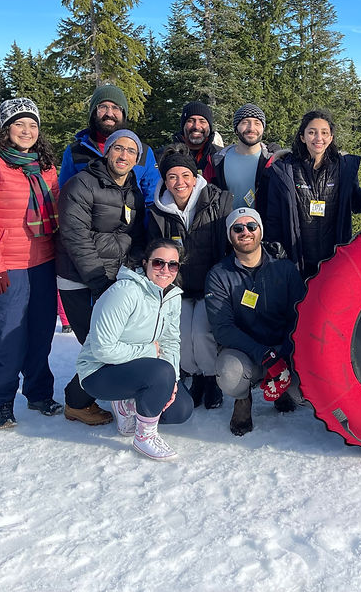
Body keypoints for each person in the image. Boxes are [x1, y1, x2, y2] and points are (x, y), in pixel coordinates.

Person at [0, 98, 61, 428]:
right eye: (20, 124)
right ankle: (1, 399)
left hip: (44, 263)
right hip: (8, 265)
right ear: (6, 129)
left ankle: (38, 392)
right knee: (10, 338)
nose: (27, 130)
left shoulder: (46, 167)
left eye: (33, 125)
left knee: (40, 333)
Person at [55, 129, 148, 425]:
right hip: (81, 280)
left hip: (113, 279)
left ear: (137, 159)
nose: (124, 155)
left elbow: (134, 236)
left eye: (131, 151)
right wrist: (100, 281)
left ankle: (87, 397)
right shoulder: (82, 184)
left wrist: (131, 272)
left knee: (110, 343)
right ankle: (76, 401)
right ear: (106, 152)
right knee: (100, 347)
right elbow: (75, 237)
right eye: (118, 149)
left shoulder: (133, 190)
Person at [76, 238, 193, 460]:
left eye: (173, 265)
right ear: (145, 263)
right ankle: (144, 436)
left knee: (181, 409)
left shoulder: (172, 296)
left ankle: (126, 406)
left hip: (138, 369)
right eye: (158, 263)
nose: (165, 270)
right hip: (99, 371)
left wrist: (173, 382)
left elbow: (170, 342)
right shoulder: (125, 292)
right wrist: (150, 352)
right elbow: (103, 349)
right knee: (161, 372)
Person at [206, 208, 306, 436]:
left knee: (302, 395)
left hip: (283, 349)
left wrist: (283, 355)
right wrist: (265, 356)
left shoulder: (285, 268)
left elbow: (300, 316)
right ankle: (243, 400)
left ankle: (282, 389)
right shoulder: (219, 274)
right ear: (230, 235)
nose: (245, 232)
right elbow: (223, 328)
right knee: (229, 374)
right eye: (238, 228)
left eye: (251, 226)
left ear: (260, 231)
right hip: (244, 353)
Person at [148, 145, 233, 410]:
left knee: (202, 331)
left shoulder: (217, 202)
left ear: (195, 178)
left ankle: (211, 378)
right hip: (179, 285)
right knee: (182, 332)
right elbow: (154, 249)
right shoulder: (159, 211)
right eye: (172, 176)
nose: (179, 182)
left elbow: (227, 245)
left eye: (185, 175)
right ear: (165, 181)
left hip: (211, 284)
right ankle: (193, 375)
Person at [266, 110, 361, 278]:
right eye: (312, 132)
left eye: (324, 133)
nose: (319, 138)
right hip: (296, 258)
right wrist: (274, 251)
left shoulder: (344, 169)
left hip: (333, 258)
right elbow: (273, 217)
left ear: (331, 137)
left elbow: (358, 203)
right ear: (302, 137)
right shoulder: (285, 170)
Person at [58, 84, 160, 204]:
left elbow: (153, 200)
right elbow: (66, 197)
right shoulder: (75, 151)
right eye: (103, 107)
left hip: (133, 221)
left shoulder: (143, 152)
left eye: (116, 107)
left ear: (123, 114)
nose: (109, 113)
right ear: (94, 113)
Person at [210, 103, 280, 218]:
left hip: (263, 230)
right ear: (236, 128)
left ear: (263, 129)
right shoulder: (218, 161)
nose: (251, 128)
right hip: (226, 229)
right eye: (245, 122)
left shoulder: (273, 162)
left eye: (257, 123)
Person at [172, 100, 220, 183]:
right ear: (183, 125)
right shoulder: (166, 155)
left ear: (209, 126)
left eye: (202, 121)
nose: (196, 126)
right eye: (191, 120)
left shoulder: (220, 156)